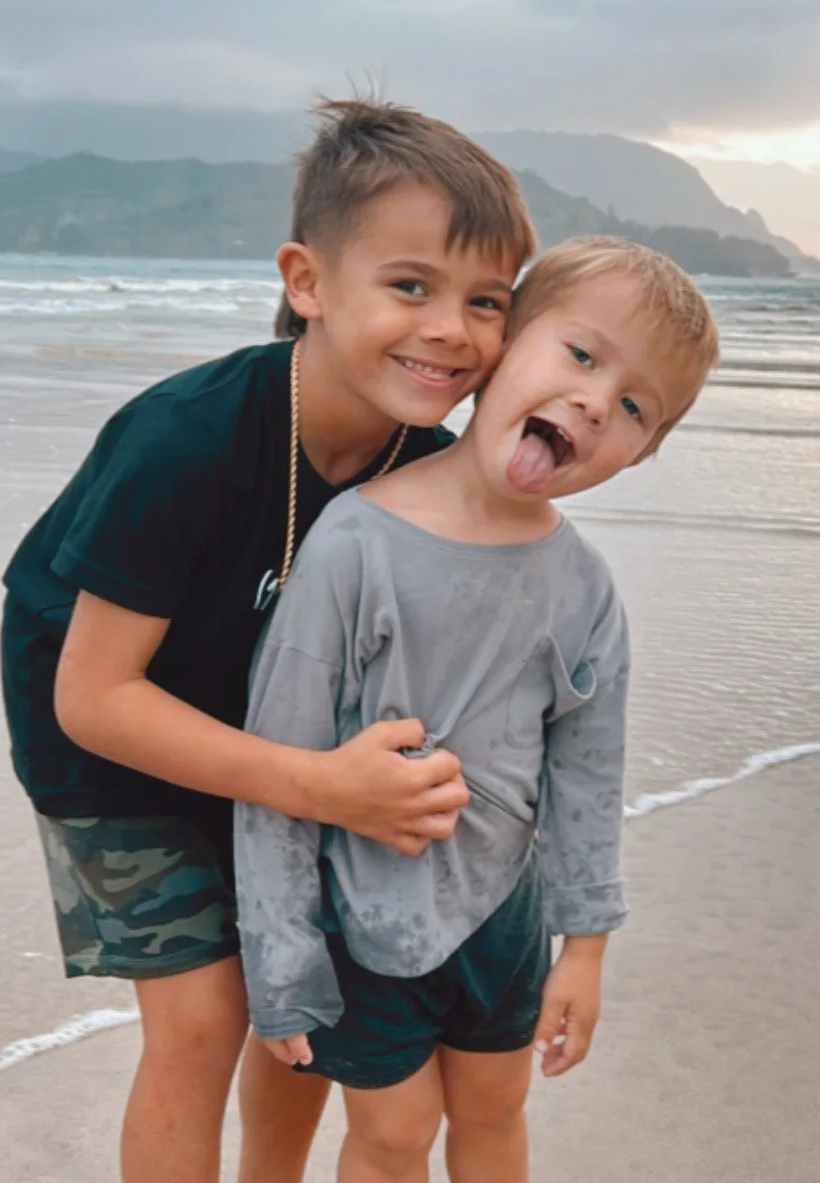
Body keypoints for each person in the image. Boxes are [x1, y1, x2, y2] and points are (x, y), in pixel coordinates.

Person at [0, 97, 537, 1183]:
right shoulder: (187, 439)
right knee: (204, 1017)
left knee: (302, 991)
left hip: (276, 723)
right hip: (104, 725)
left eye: (487, 301)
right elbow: (92, 698)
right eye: (411, 286)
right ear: (307, 282)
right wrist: (318, 786)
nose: (452, 328)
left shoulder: (424, 470)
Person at [235, 235, 720, 1183]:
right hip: (363, 913)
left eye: (634, 407)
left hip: (504, 916)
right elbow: (280, 756)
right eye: (580, 355)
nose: (595, 401)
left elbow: (588, 776)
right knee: (396, 1132)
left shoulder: (584, 587)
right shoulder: (355, 541)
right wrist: (282, 952)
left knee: (496, 1113)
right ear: (502, 347)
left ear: (641, 452)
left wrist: (585, 950)